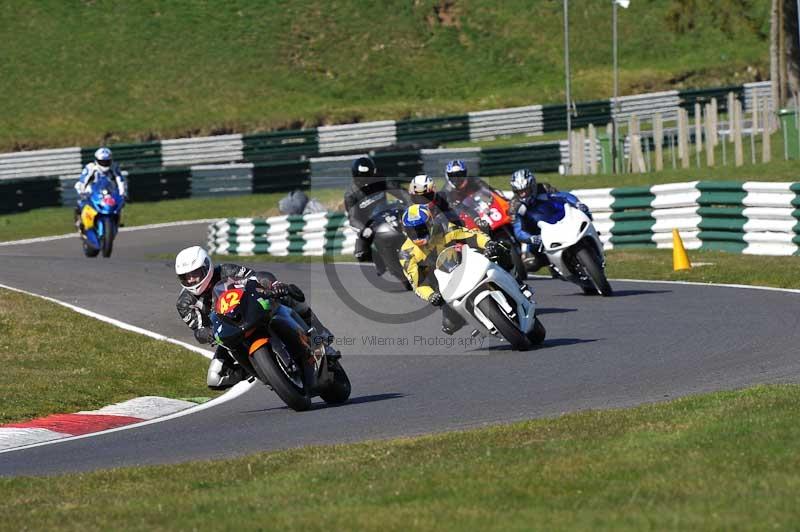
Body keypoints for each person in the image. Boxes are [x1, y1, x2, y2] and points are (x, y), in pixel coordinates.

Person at [174, 246, 339, 390]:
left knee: (288, 296)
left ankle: (320, 338)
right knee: (215, 378)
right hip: (227, 332)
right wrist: (207, 334)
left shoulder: (226, 270)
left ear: (206, 267)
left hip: (250, 310)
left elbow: (255, 278)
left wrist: (273, 285)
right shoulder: (184, 303)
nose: (191, 280)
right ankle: (259, 371)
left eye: (195, 274)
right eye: (186, 277)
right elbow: (198, 329)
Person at [398, 204, 516, 335]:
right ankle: (475, 317)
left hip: (464, 263)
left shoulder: (443, 228)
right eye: (412, 231)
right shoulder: (406, 253)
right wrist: (431, 295)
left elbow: (471, 235)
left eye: (420, 229)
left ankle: (514, 279)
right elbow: (417, 284)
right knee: (450, 324)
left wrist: (488, 243)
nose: (417, 234)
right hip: (441, 285)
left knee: (499, 248)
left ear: (430, 224)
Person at [509, 169, 591, 272]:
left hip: (558, 220)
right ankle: (553, 264)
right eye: (521, 192)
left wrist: (577, 203)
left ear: (533, 186)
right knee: (530, 264)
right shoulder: (514, 206)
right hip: (538, 234)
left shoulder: (544, 188)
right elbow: (518, 231)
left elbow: (563, 196)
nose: (524, 194)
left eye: (527, 190)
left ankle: (591, 241)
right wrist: (531, 238)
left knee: (585, 214)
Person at [344, 156, 412, 275]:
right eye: (362, 178)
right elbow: (353, 217)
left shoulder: (380, 180)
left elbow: (400, 192)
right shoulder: (351, 195)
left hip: (387, 215)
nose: (366, 181)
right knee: (361, 253)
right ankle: (379, 260)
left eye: (368, 177)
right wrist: (363, 229)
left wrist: (411, 204)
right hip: (368, 225)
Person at [73, 147, 127, 232]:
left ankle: (117, 220)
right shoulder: (90, 167)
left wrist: (122, 193)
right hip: (92, 190)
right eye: (102, 162)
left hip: (108, 190)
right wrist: (82, 192)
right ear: (97, 160)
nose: (105, 164)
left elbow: (120, 181)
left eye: (107, 161)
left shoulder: (114, 167)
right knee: (82, 202)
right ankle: (80, 220)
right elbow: (83, 181)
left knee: (119, 203)